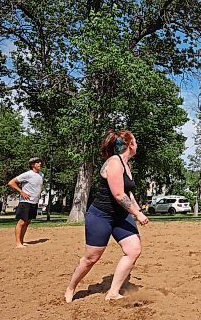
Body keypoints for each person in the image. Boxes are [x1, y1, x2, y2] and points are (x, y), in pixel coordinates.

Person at [65, 130, 149, 303]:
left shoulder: (127, 164)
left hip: (120, 216)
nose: (137, 144)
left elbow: (128, 192)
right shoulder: (114, 162)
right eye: (135, 140)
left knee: (133, 250)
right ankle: (71, 287)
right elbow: (118, 195)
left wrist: (137, 208)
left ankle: (113, 292)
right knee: (91, 258)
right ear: (129, 145)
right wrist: (138, 214)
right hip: (101, 216)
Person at [8, 157, 44, 248]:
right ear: (32, 165)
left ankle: (22, 241)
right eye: (37, 162)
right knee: (22, 222)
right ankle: (18, 243)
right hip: (25, 202)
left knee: (27, 222)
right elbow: (11, 182)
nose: (40, 163)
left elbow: (37, 186)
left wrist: (39, 194)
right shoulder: (28, 174)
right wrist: (21, 192)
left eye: (40, 162)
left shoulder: (41, 175)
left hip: (34, 202)